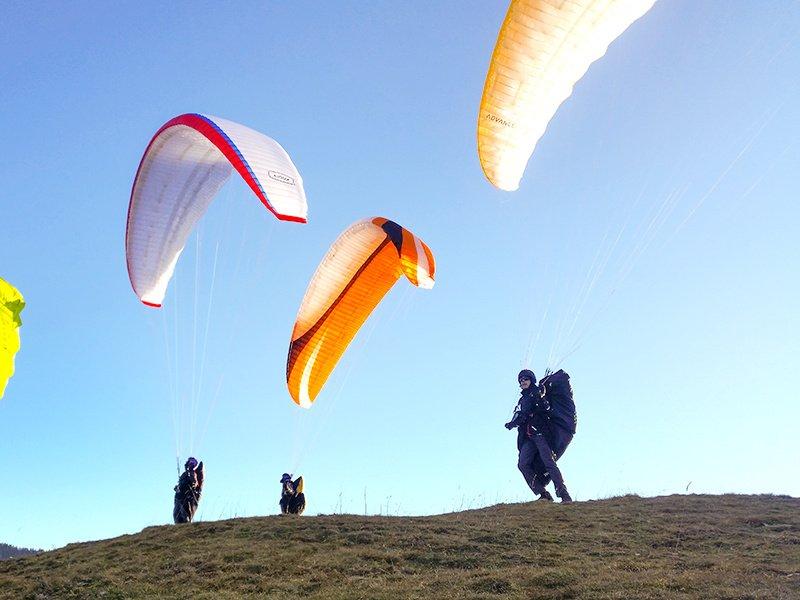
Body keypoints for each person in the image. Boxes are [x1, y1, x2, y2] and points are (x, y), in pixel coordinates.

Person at [505, 370, 572, 503]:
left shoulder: (538, 392)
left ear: (531, 380)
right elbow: (521, 415)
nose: (522, 382)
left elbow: (546, 408)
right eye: (520, 380)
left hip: (541, 433)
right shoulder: (523, 399)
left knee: (549, 462)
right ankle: (543, 493)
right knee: (523, 464)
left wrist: (540, 397)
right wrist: (512, 423)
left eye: (525, 379)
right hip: (528, 437)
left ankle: (564, 494)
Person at [173, 457, 204, 523]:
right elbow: (181, 484)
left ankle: (186, 527)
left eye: (192, 464)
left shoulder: (193, 474)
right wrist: (177, 487)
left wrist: (191, 479)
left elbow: (194, 483)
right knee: (176, 515)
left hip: (188, 497)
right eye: (190, 463)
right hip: (180, 496)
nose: (190, 465)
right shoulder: (184, 474)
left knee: (185, 515)